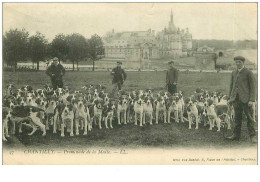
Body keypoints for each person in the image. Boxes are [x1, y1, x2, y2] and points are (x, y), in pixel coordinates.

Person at [226, 56, 257, 144]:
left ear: (243, 62)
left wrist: (251, 100)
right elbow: (231, 86)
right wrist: (230, 98)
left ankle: (253, 136)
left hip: (246, 100)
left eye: (239, 62)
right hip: (236, 99)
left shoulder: (248, 72)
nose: (237, 64)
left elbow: (253, 87)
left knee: (249, 118)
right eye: (236, 62)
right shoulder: (233, 72)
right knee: (237, 118)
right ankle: (236, 135)